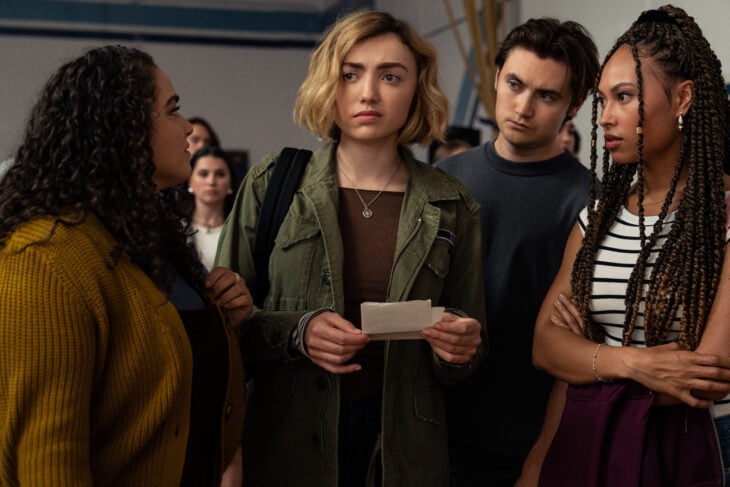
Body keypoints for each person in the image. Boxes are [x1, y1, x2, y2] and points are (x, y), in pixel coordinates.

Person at [216, 10, 486, 487]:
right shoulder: (273, 183)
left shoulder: (451, 203)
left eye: (391, 76)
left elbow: (469, 344)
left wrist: (459, 350)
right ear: (328, 84)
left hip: (405, 451)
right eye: (350, 74)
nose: (368, 93)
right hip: (288, 444)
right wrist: (299, 332)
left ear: (416, 89)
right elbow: (223, 327)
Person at [0, 45, 251, 485]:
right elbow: (49, 456)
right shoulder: (43, 257)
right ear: (124, 126)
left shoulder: (146, 236)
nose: (188, 127)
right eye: (172, 110)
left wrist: (224, 316)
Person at [524, 5, 730, 485]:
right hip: (597, 443)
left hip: (699, 449)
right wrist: (636, 362)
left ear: (683, 98)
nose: (606, 118)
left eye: (625, 96)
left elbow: (704, 376)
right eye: (603, 100)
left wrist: (588, 357)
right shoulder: (596, 219)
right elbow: (545, 346)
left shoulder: (722, 217)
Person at [436, 17, 599, 487]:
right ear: (497, 76)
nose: (523, 107)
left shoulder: (592, 201)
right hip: (433, 426)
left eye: (546, 95)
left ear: (574, 105)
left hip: (530, 440)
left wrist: (542, 455)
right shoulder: (445, 179)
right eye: (515, 84)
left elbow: (580, 337)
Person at [183, 146, 236, 270]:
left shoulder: (242, 231)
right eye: (203, 174)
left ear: (230, 182)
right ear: (190, 181)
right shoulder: (177, 228)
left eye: (220, 174)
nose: (211, 182)